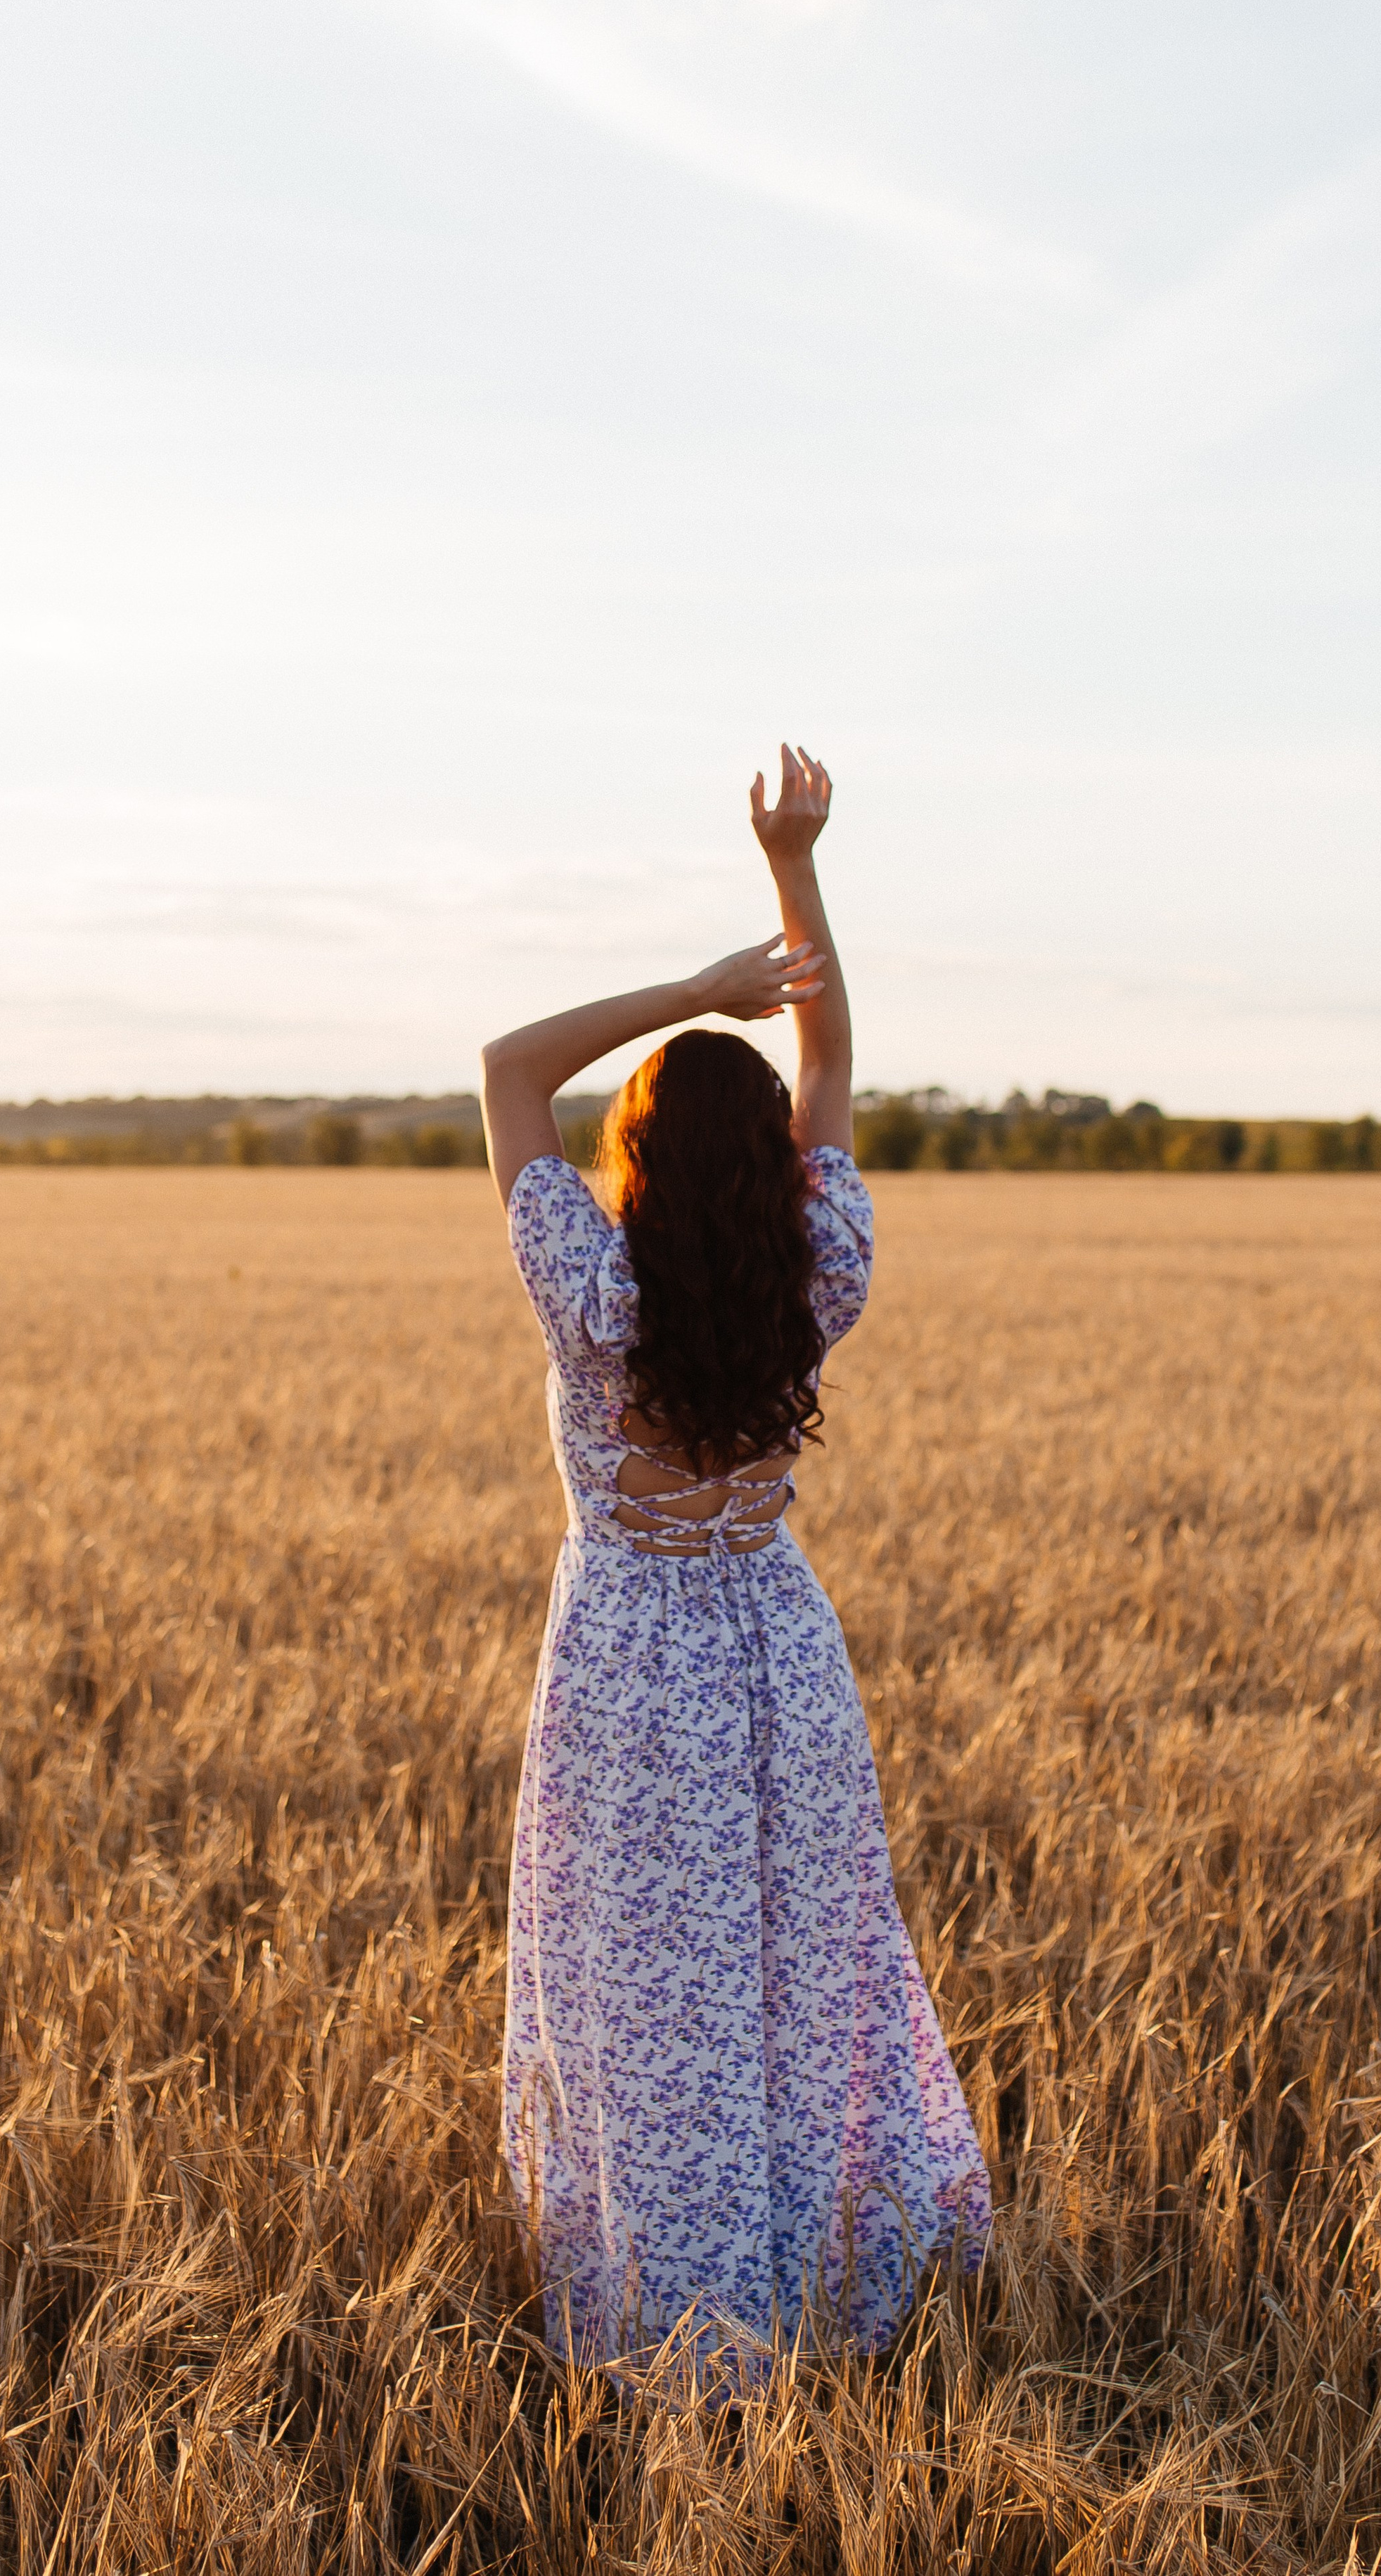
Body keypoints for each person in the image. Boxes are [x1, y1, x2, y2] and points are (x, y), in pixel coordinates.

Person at [480, 744, 990, 2364]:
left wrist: (695, 994)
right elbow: (828, 1048)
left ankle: (672, 2306)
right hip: (779, 1653)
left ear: (632, 1155)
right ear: (773, 1161)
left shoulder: (594, 1299)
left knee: (649, 2001)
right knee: (794, 1983)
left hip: (633, 1672)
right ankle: (818, 2276)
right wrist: (792, 868)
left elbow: (506, 1066)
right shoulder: (814, 1268)